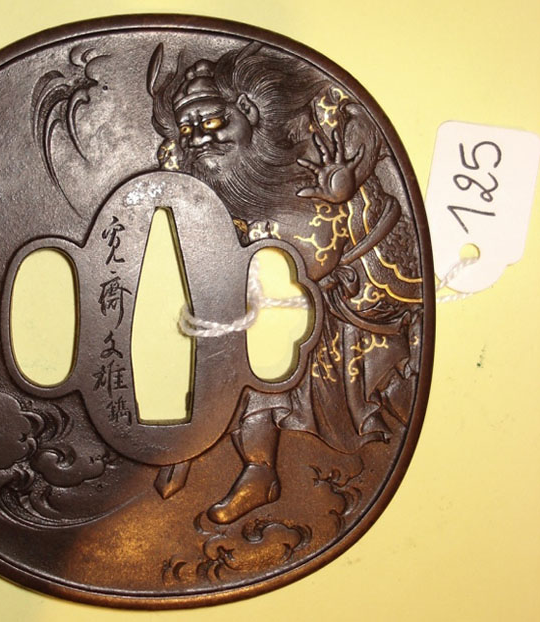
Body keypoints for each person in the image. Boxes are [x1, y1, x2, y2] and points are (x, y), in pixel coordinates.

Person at [148, 42, 423, 524]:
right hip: (292, 303)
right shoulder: (220, 189)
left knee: (261, 348)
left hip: (371, 302)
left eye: (211, 121)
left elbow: (358, 134)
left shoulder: (307, 148)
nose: (199, 138)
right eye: (188, 130)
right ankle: (231, 457)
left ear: (248, 110)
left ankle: (237, 461)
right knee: (233, 342)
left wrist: (350, 177)